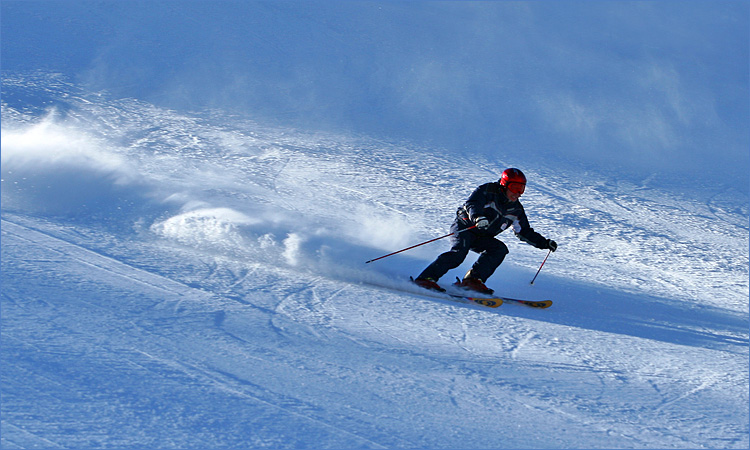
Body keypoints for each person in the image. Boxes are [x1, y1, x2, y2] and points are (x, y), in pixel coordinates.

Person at [414, 168, 557, 294]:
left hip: (482, 236)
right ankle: (425, 279)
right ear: (504, 184)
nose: (518, 193)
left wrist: (544, 243)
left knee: (499, 249)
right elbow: (473, 203)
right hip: (466, 227)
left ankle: (472, 280)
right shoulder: (487, 191)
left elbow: (524, 231)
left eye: (522, 189)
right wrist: (478, 217)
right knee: (458, 254)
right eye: (514, 188)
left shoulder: (516, 209)